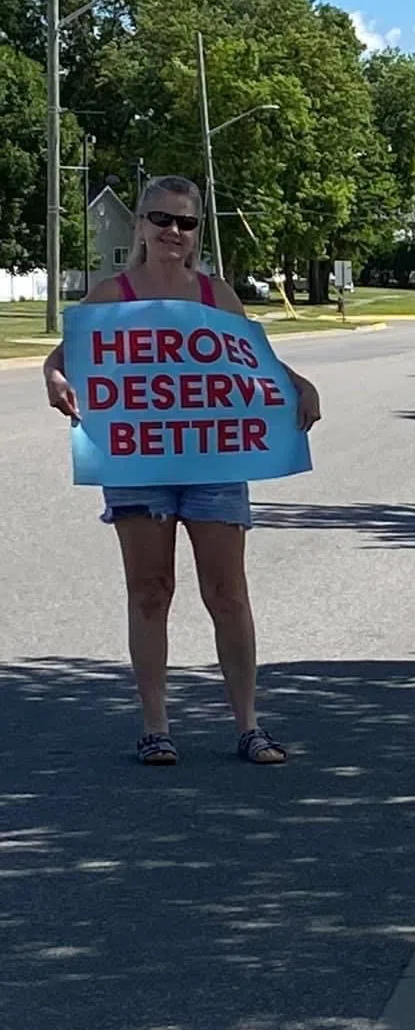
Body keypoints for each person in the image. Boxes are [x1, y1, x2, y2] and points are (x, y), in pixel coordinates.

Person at [41, 175, 320, 765]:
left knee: (227, 592)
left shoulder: (217, 297)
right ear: (140, 225)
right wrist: (55, 377)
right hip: (138, 460)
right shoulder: (109, 295)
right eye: (160, 219)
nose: (173, 231)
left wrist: (297, 383)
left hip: (214, 458)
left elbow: (257, 364)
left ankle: (248, 725)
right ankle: (155, 727)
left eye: (185, 223)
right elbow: (63, 358)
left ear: (197, 233)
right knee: (150, 591)